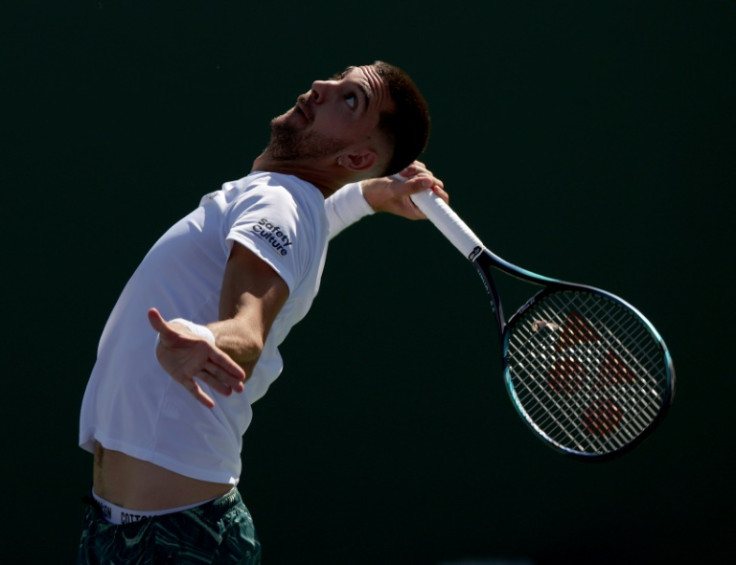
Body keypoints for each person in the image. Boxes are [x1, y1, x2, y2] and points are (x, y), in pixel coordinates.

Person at [77, 61, 446, 564]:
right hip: (125, 532)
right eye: (338, 79)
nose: (323, 87)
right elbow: (304, 226)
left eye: (351, 99)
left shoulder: (280, 202)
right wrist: (370, 194)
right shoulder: (294, 204)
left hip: (176, 542)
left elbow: (246, 333)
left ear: (358, 154)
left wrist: (204, 339)